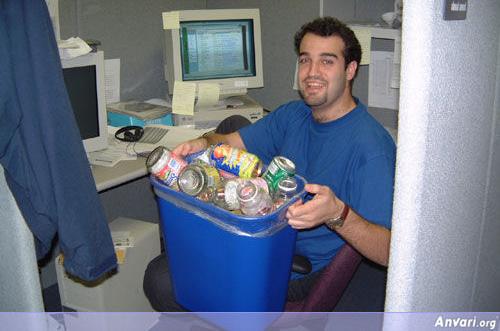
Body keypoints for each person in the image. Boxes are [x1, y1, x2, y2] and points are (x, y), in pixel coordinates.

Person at [143, 16, 396, 310]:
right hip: (259, 235)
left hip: (290, 264)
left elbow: (390, 251)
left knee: (161, 280)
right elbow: (228, 140)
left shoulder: (371, 146)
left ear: (350, 70)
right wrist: (203, 142)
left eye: (327, 62)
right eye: (305, 61)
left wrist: (337, 213)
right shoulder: (294, 114)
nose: (312, 73)